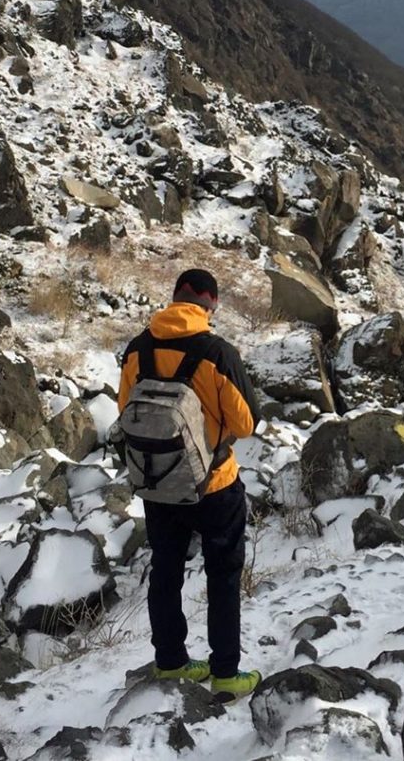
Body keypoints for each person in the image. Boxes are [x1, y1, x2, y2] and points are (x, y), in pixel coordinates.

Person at [117, 267, 261, 700]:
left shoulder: (138, 349)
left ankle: (171, 663)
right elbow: (246, 424)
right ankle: (226, 674)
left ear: (175, 297)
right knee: (223, 577)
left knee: (165, 571)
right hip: (214, 484)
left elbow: (125, 411)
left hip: (159, 481)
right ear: (210, 304)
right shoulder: (217, 352)